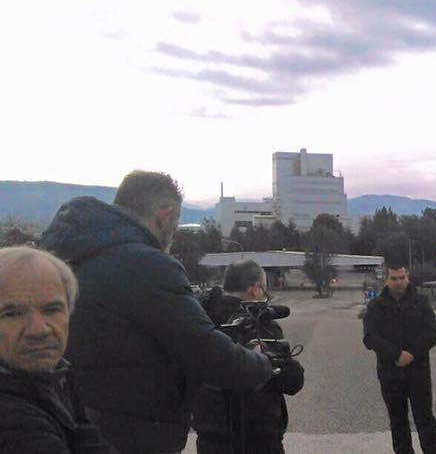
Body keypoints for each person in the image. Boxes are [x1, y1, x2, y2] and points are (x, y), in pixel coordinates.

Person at [39, 171, 274, 453]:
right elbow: (207, 354)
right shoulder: (146, 263)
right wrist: (261, 363)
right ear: (166, 213)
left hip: (68, 420)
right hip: (130, 432)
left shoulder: (64, 253)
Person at [0, 246, 117, 453]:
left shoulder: (54, 378)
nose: (39, 330)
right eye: (12, 313)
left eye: (52, 309)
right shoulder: (14, 422)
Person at [192, 259, 304, 454]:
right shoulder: (260, 323)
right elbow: (291, 381)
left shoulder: (198, 320)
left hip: (211, 434)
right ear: (256, 288)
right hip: (259, 436)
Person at [363, 265, 436, 454]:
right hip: (389, 371)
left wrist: (412, 354)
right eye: (394, 278)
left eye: (402, 277)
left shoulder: (421, 302)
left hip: (418, 370)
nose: (398, 282)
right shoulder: (375, 306)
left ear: (407, 277)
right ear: (387, 280)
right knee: (397, 420)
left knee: (424, 418)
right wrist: (396, 354)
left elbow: (431, 332)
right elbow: (370, 337)